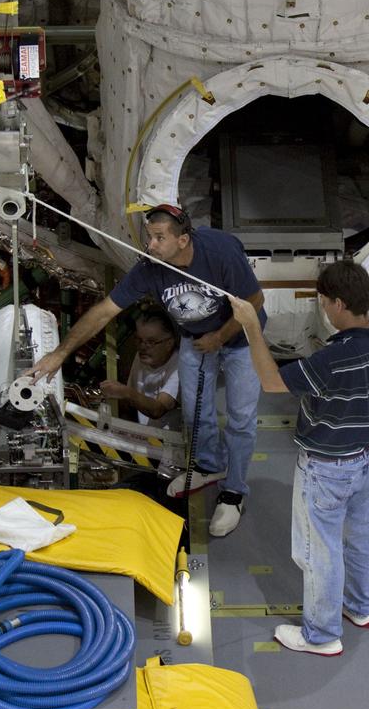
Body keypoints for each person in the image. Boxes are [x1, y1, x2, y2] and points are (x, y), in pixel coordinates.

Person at [28, 204, 266, 537]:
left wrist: (219, 337)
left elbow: (255, 300)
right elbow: (103, 313)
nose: (149, 246)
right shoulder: (149, 269)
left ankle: (235, 491)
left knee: (241, 419)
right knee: (197, 413)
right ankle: (211, 466)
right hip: (196, 338)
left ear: (183, 240)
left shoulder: (219, 251)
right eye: (148, 238)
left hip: (239, 337)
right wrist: (59, 354)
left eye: (158, 238)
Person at [230, 261, 369, 656]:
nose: (322, 309)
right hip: (366, 454)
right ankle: (360, 608)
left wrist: (251, 326)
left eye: (324, 302)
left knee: (318, 551)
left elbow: (272, 382)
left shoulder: (330, 361)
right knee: (361, 533)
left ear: (340, 304)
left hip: (326, 467)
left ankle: (321, 636)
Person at [99, 305, 182, 430]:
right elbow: (131, 403)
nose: (142, 347)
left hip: (170, 442)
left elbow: (158, 409)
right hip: (146, 436)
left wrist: (125, 392)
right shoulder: (142, 356)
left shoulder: (179, 367)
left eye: (151, 342)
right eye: (139, 340)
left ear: (169, 343)